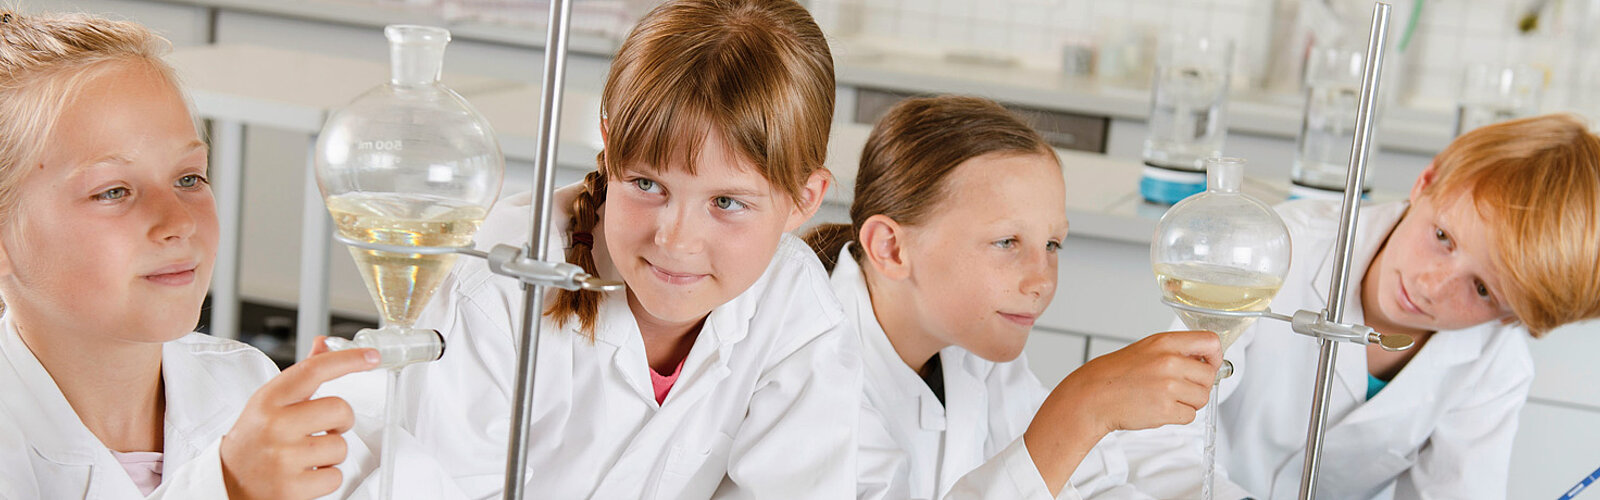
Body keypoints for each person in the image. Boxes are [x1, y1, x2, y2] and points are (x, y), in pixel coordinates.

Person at [341, 0, 860, 497]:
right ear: (610, 149)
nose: (675, 240)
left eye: (726, 201)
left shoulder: (797, 311)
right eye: (647, 185)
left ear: (803, 200)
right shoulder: (503, 284)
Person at [0, 10, 378, 500]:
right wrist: (230, 487)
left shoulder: (244, 381)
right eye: (113, 191)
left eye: (189, 178)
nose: (178, 220)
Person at [1120, 114, 1600, 499]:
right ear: (1426, 181)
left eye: (1483, 290)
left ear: (1516, 316)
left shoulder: (1495, 363)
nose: (1432, 286)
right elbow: (1159, 437)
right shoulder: (1285, 249)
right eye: (1442, 237)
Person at [803, 95, 1223, 500]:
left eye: (1053, 245)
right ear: (890, 248)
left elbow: (1091, 484)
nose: (1041, 280)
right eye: (1006, 242)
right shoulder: (812, 375)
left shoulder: (975, 350)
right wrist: (1082, 407)